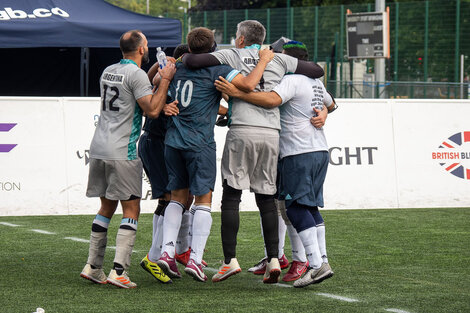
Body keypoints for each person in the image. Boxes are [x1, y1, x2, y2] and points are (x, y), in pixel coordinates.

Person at [183, 20, 324, 284]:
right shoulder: (279, 59)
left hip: (242, 130)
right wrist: (276, 58)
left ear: (240, 38)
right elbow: (316, 70)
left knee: (232, 196)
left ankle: (230, 261)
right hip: (272, 134)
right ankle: (273, 258)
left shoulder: (231, 54)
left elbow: (191, 60)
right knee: (266, 198)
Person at [155, 27, 274, 282]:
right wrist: (263, 60)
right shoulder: (218, 69)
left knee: (177, 198)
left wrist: (166, 97)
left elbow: (155, 82)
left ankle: (166, 253)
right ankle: (195, 260)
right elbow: (250, 85)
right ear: (212, 47)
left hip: (173, 141)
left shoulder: (177, 67)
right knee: (203, 201)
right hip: (199, 144)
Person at [214, 40, 336, 287]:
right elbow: (332, 104)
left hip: (297, 152)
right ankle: (312, 259)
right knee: (308, 207)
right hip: (320, 149)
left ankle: (312, 263)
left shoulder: (290, 80)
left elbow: (270, 100)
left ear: (290, 62)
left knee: (293, 208)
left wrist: (237, 93)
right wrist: (323, 113)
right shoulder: (316, 82)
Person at [80, 30, 175, 288]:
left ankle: (93, 266)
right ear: (142, 49)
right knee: (131, 210)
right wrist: (165, 78)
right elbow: (152, 110)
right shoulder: (135, 75)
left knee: (106, 208)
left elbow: (137, 89)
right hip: (123, 151)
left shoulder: (109, 70)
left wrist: (156, 69)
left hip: (99, 148)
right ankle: (119, 271)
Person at [139, 44, 206, 284]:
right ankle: (155, 256)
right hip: (156, 141)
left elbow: (150, 84)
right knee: (171, 198)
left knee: (179, 198)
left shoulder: (174, 74)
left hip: (161, 142)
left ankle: (174, 250)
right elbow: (148, 91)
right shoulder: (174, 74)